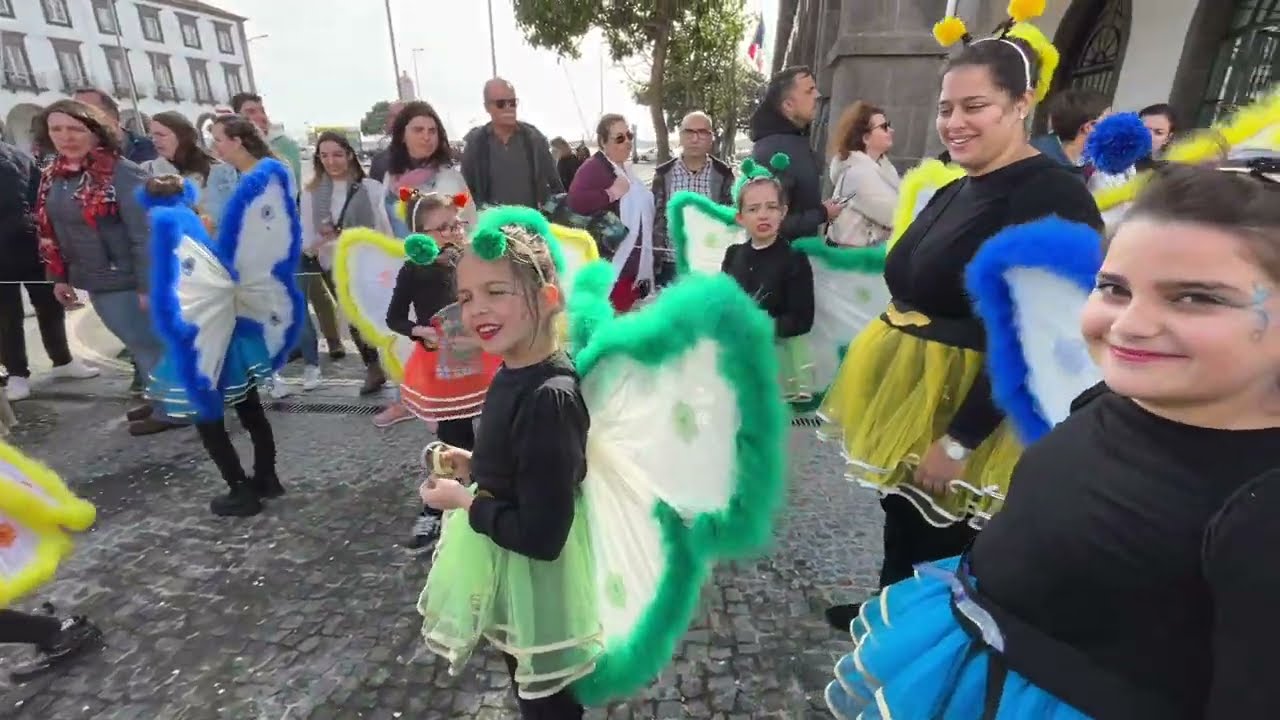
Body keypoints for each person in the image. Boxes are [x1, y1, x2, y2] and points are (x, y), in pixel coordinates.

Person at [826, 158, 1280, 720]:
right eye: (1113, 288)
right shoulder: (1110, 399)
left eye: (1195, 297)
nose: (1130, 325)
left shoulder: (1261, 506)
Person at [817, 14, 1103, 629]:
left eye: (975, 106)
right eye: (946, 108)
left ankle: (922, 648)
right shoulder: (958, 184)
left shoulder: (1050, 195)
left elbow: (1040, 337)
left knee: (946, 545)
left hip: (975, 409)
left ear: (1022, 103)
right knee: (904, 516)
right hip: (920, 391)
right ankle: (888, 613)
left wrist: (959, 440)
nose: (954, 122)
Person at [142, 168, 295, 517]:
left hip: (200, 343)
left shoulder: (168, 234)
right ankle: (267, 477)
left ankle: (240, 490)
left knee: (209, 421)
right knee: (251, 411)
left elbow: (175, 294)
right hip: (237, 339)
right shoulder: (204, 227)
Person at [35, 99, 184, 435]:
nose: (65, 136)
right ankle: (161, 398)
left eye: (75, 129)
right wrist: (58, 277)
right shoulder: (56, 174)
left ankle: (175, 408)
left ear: (95, 131)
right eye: (56, 129)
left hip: (125, 277)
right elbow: (52, 229)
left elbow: (144, 235)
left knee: (147, 343)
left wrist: (148, 286)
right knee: (138, 343)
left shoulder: (122, 173)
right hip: (96, 277)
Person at [387, 191, 497, 550]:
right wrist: (421, 331)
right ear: (420, 236)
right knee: (452, 441)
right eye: (442, 228)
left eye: (456, 225)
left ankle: (491, 499)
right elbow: (395, 318)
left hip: (485, 359)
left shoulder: (473, 260)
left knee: (497, 431)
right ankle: (435, 509)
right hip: (442, 367)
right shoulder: (413, 270)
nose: (453, 233)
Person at [209, 114, 319, 398]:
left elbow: (276, 220)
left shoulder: (272, 172)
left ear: (237, 141)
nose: (214, 146)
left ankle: (310, 365)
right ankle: (269, 376)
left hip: (276, 259)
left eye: (218, 139)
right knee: (253, 318)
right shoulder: (226, 175)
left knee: (288, 310)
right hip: (243, 265)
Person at [0, 141, 99, 402]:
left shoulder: (17, 155)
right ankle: (16, 373)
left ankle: (62, 360)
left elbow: (39, 193)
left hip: (30, 242)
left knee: (49, 303)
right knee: (7, 313)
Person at [301, 131, 394, 390]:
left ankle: (395, 362)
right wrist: (326, 242)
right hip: (334, 264)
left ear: (350, 155)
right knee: (354, 316)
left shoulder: (371, 188)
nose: (331, 161)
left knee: (380, 314)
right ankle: (372, 367)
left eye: (337, 155)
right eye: (324, 156)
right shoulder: (311, 193)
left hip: (369, 261)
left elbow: (383, 228)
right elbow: (307, 237)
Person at [722, 170, 815, 398]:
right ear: (740, 218)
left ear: (783, 212)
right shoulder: (733, 255)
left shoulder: (794, 259)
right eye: (753, 209)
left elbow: (802, 320)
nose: (763, 215)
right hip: (736, 358)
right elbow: (723, 303)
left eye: (771, 207)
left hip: (775, 363)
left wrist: (759, 327)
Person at [567, 113, 655, 312]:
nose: (628, 142)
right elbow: (575, 201)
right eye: (619, 138)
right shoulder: (594, 167)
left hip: (634, 272)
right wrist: (610, 194)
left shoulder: (625, 170)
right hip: (613, 271)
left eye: (629, 136)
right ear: (603, 142)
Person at [749, 66, 837, 241]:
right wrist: (822, 213)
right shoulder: (776, 149)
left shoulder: (794, 140)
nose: (817, 95)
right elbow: (771, 221)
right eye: (809, 91)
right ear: (788, 105)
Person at [652, 111, 734, 284]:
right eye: (689, 132)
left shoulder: (723, 175)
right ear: (680, 137)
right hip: (670, 264)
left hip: (709, 265)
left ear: (711, 138)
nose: (695, 139)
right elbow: (655, 218)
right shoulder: (664, 175)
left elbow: (730, 220)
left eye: (702, 132)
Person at [461, 78, 563, 209]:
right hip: (490, 221)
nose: (509, 108)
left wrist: (550, 212)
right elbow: (464, 191)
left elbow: (556, 188)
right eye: (501, 104)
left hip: (532, 220)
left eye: (512, 102)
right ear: (487, 107)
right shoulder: (475, 144)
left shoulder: (535, 140)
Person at [378, 101, 474, 239]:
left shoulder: (450, 179)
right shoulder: (390, 179)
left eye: (432, 131)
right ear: (402, 135)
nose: (426, 137)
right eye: (418, 130)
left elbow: (468, 229)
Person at [143, 111, 239, 229]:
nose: (155, 140)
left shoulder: (219, 170)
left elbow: (228, 214)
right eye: (152, 136)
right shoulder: (147, 171)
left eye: (161, 135)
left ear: (182, 136)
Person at [826, 101, 900, 247]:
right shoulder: (857, 174)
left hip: (866, 253)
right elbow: (894, 215)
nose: (891, 131)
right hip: (849, 256)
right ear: (865, 138)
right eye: (884, 127)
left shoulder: (885, 168)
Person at [1030, 87, 1110, 180]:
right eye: (1110, 122)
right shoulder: (1037, 160)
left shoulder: (1082, 164)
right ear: (1089, 126)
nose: (1115, 129)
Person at [231, 92, 302, 184]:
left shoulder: (284, 143)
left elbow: (288, 181)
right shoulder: (230, 147)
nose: (261, 116)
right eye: (251, 112)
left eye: (262, 111)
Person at [72, 87, 157, 164]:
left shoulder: (151, 150)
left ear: (111, 114)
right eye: (73, 113)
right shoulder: (74, 158)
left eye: (88, 112)